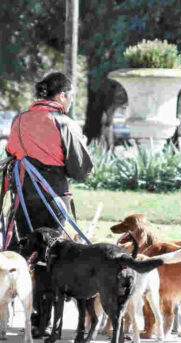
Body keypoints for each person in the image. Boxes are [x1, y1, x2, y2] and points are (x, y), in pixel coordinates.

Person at [4, 71, 93, 336]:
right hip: (53, 198)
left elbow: (11, 153)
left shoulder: (20, 119)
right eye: (71, 97)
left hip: (23, 197)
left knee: (20, 255)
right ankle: (42, 322)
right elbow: (81, 170)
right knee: (51, 258)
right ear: (63, 95)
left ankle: (11, 314)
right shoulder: (64, 123)